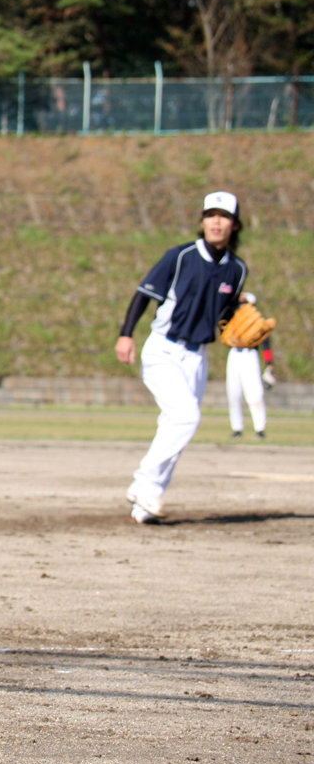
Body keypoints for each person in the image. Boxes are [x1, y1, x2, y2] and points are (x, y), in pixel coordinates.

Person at [116, 191, 249, 524]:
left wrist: (240, 319)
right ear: (202, 221)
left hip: (198, 357)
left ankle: (147, 502)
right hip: (163, 348)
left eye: (224, 216)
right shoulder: (180, 256)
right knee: (186, 417)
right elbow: (144, 294)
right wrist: (126, 333)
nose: (216, 222)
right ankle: (143, 483)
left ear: (235, 225)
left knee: (175, 425)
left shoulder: (237, 270)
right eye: (210, 215)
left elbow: (226, 316)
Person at [225, 293, 273, 440]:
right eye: (240, 303)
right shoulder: (233, 319)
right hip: (234, 355)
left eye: (244, 303)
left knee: (254, 394)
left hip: (250, 355)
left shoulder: (257, 322)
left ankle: (260, 428)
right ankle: (237, 428)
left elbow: (266, 344)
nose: (241, 305)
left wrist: (270, 365)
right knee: (233, 393)